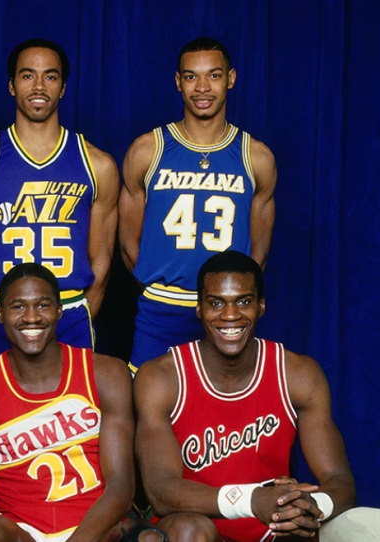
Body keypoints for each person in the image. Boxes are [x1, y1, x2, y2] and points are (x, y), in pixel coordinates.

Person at [133, 251, 380, 542]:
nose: (230, 315)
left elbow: (339, 479)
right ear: (199, 309)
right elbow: (161, 490)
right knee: (188, 531)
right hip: (202, 528)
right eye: (216, 303)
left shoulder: (297, 373)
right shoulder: (161, 378)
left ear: (261, 306)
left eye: (244, 301)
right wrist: (252, 499)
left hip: (277, 527)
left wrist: (311, 506)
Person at [0, 263, 163, 542]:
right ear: (0, 314)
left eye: (43, 305)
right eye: (18, 307)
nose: (31, 317)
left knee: (148, 539)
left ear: (59, 310)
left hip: (97, 531)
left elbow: (121, 487)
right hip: (21, 531)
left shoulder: (105, 373)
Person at [0, 39, 119, 369]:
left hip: (69, 312)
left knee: (72, 419)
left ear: (62, 88)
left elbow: (101, 260)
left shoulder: (97, 164)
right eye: (28, 76)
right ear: (11, 85)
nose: (39, 86)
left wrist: (80, 312)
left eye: (50, 77)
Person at [118, 37, 277, 369]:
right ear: (178, 82)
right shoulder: (147, 150)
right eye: (191, 76)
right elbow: (128, 244)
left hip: (226, 313)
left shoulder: (256, 157)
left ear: (231, 79)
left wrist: (228, 298)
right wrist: (160, 288)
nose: (202, 87)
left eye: (214, 76)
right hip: (160, 312)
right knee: (148, 412)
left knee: (219, 414)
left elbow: (258, 255)